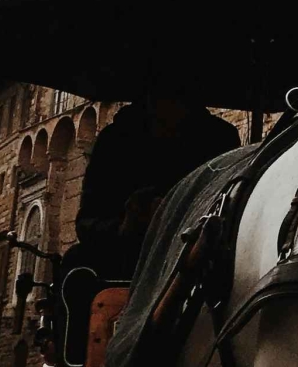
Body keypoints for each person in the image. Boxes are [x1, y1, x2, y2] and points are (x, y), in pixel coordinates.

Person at [73, 92, 241, 280]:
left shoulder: (219, 138)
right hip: (123, 263)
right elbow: (87, 223)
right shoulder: (116, 140)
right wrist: (124, 227)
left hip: (196, 264)